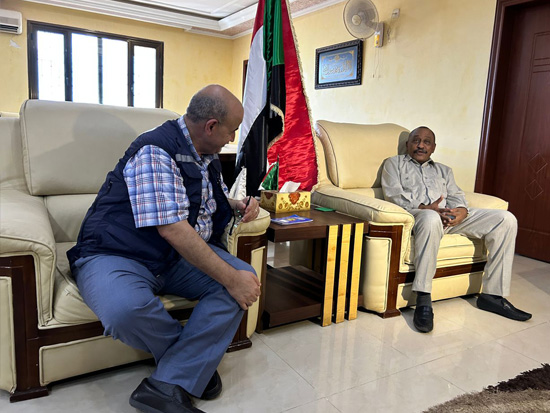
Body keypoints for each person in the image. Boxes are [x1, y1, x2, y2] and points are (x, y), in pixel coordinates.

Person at [67, 85, 262, 413]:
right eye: (232, 130)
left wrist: (234, 203)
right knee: (123, 310)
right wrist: (229, 279)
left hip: (172, 258)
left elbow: (197, 199)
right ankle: (186, 368)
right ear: (211, 126)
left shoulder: (205, 153)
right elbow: (172, 228)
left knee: (245, 279)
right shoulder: (156, 150)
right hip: (117, 252)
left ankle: (166, 383)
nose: (233, 138)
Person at [381, 126, 531, 333]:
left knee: (505, 219)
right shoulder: (393, 164)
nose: (421, 145)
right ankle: (423, 297)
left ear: (433, 148)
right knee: (431, 217)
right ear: (408, 145)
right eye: (416, 140)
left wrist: (461, 211)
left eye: (426, 142)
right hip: (420, 216)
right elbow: (393, 196)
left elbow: (457, 196)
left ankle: (492, 296)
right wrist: (428, 208)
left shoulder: (444, 170)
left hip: (449, 218)